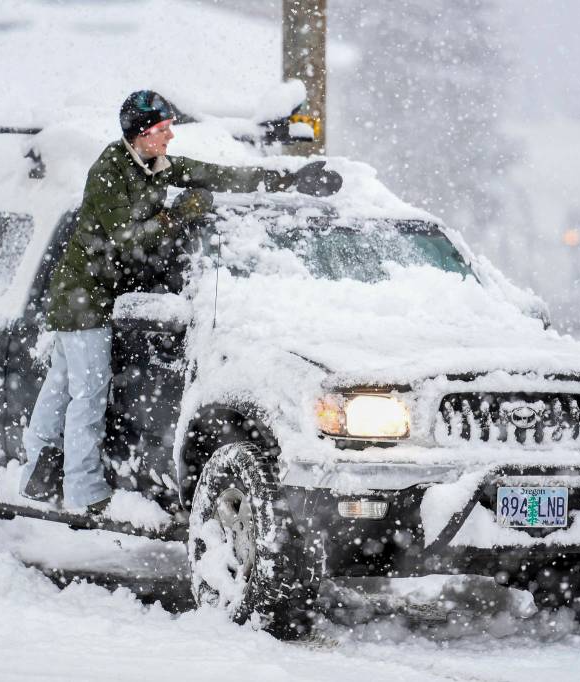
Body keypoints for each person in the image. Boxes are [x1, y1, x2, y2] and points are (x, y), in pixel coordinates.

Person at [20, 90, 342, 514]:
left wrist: (288, 179)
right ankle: (83, 490)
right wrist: (178, 214)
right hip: (84, 298)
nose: (170, 137)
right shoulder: (109, 172)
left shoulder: (156, 164)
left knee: (61, 387)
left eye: (170, 128)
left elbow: (217, 175)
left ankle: (35, 472)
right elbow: (123, 239)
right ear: (140, 135)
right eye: (162, 130)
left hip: (92, 293)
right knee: (88, 394)